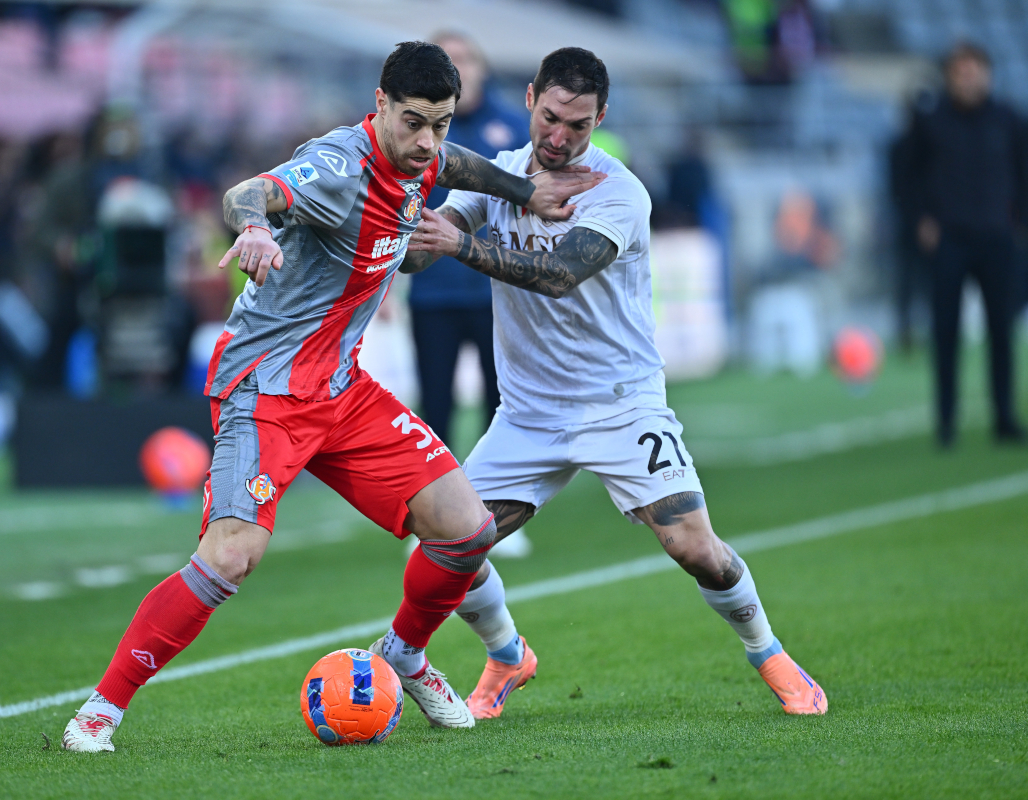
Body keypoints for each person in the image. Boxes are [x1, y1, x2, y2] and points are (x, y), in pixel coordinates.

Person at [60, 41, 604, 751]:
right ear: (378, 105)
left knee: (467, 529)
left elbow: (456, 163)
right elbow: (249, 192)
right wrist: (255, 225)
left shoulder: (426, 151)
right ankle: (100, 710)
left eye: (440, 122)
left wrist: (526, 192)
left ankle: (405, 654)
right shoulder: (338, 168)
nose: (428, 141)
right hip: (267, 390)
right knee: (230, 556)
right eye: (414, 122)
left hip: (341, 389)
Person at [404, 47, 827, 721]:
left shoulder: (619, 192)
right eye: (550, 117)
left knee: (694, 547)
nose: (559, 136)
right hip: (528, 414)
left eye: (578, 124)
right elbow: (436, 239)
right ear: (531, 99)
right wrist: (420, 239)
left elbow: (558, 273)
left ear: (602, 117)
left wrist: (458, 247)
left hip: (620, 405)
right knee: (446, 545)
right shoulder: (500, 174)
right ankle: (508, 654)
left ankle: (768, 650)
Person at [409, 32, 528, 449]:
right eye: (447, 60)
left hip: (496, 290)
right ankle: (437, 501)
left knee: (503, 403)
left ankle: (495, 497)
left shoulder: (515, 127)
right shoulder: (413, 131)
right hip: (431, 291)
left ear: (483, 67)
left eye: (465, 58)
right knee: (435, 405)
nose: (458, 68)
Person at [907, 42, 1027, 446]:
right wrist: (922, 219)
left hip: (997, 237)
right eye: (960, 71)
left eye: (974, 69)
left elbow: (1023, 173)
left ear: (987, 73)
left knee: (1002, 331)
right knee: (945, 333)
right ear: (949, 76)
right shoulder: (931, 121)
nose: (967, 77)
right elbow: (910, 176)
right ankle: (946, 422)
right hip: (950, 238)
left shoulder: (1008, 119)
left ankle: (1005, 417)